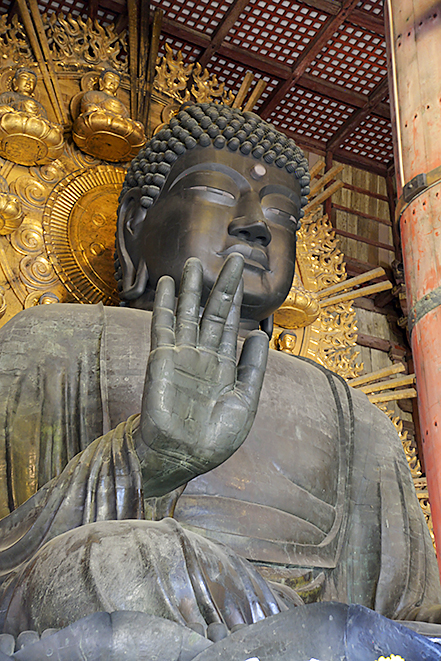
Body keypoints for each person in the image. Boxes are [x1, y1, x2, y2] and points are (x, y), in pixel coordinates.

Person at [0, 103, 440, 659]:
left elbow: (412, 616)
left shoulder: (354, 413)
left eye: (280, 214)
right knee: (114, 561)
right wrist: (144, 460)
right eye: (216, 193)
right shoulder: (48, 339)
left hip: (303, 627)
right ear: (136, 223)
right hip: (115, 590)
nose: (255, 222)